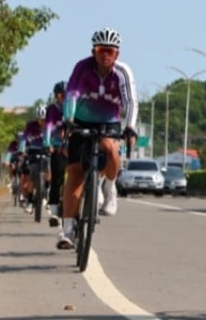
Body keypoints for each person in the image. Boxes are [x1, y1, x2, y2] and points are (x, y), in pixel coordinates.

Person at [57, 27, 138, 249]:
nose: (105, 55)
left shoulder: (122, 72)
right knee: (74, 175)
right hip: (81, 120)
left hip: (109, 121)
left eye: (110, 51)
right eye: (101, 50)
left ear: (117, 53)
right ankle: (68, 231)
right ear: (94, 51)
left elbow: (130, 101)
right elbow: (72, 93)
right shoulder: (82, 67)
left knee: (111, 150)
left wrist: (130, 127)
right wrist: (68, 119)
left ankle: (109, 187)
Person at [44, 80, 67, 228]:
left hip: (74, 147)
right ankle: (53, 212)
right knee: (57, 180)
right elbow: (48, 127)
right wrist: (48, 143)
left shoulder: (77, 107)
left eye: (66, 95)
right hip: (58, 148)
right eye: (60, 95)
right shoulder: (52, 110)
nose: (63, 98)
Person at [19, 105, 48, 214]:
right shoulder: (31, 126)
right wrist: (22, 149)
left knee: (49, 168)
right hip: (33, 152)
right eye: (41, 120)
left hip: (47, 151)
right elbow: (24, 137)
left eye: (44, 120)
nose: (43, 122)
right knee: (32, 174)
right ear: (37, 119)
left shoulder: (50, 125)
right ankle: (30, 201)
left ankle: (47, 190)